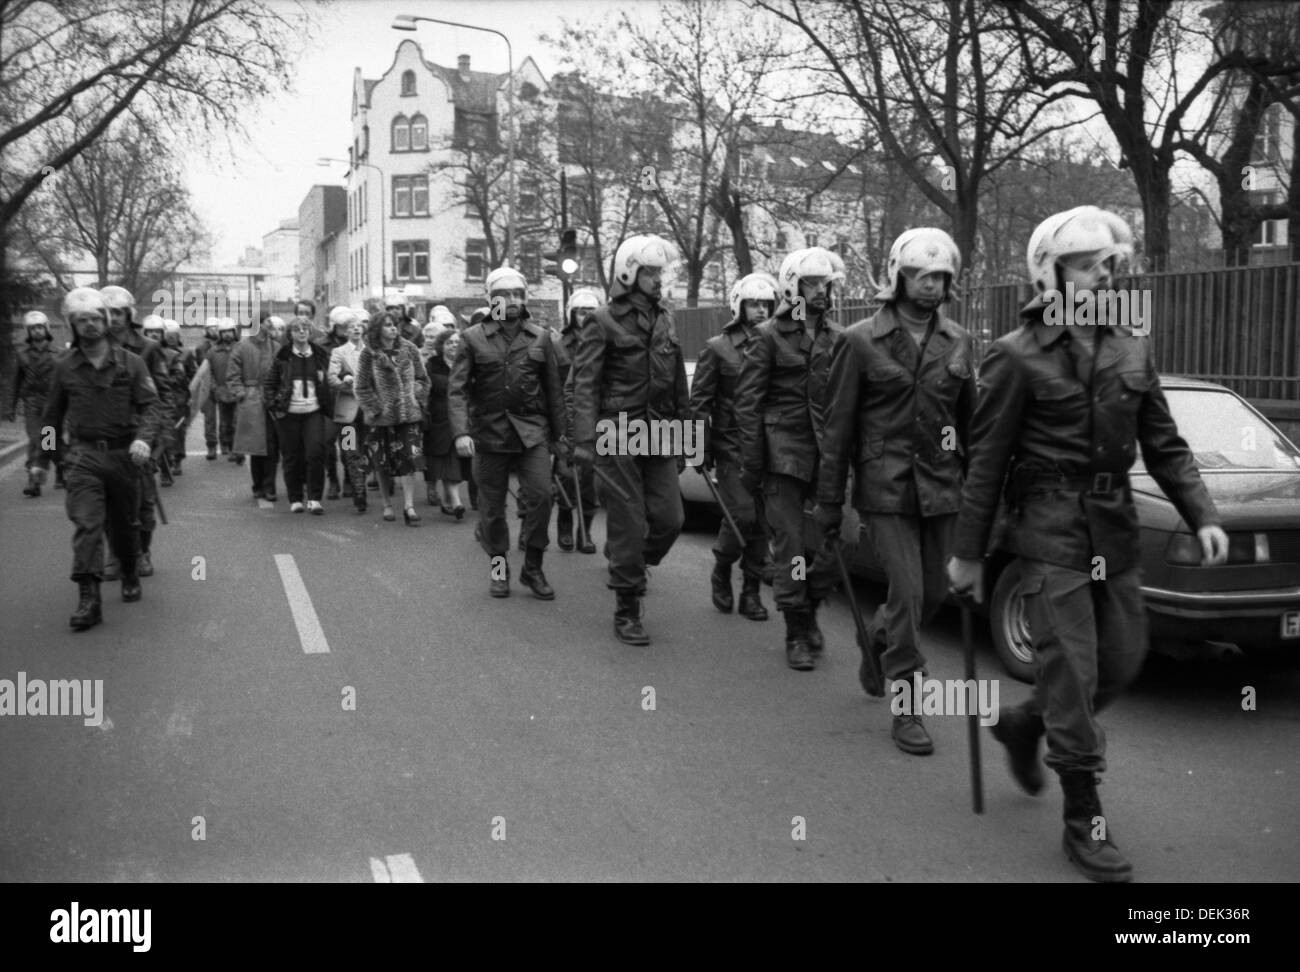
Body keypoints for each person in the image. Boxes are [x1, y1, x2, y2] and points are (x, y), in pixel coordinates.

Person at [946, 206, 1228, 883]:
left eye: (1109, 263)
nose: (1106, 273)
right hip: (1049, 530)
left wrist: (1203, 512)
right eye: (1090, 263)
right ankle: (1084, 820)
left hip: (1115, 525)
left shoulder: (1132, 347)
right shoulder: (1015, 355)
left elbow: (1164, 443)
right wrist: (968, 553)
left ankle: (1024, 722)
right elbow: (985, 462)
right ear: (1052, 271)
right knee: (1072, 675)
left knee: (1121, 663)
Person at [817, 228, 975, 755]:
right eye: (921, 275)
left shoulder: (958, 342)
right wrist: (830, 503)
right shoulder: (860, 340)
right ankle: (908, 706)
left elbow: (969, 426)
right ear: (898, 277)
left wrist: (981, 494)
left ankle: (880, 635)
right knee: (907, 590)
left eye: (939, 277)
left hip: (941, 489)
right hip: (883, 487)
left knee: (933, 594)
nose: (931, 286)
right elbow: (838, 428)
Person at [733, 247, 852, 671]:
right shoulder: (767, 336)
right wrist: (752, 463)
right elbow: (747, 404)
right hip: (782, 453)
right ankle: (796, 630)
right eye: (812, 283)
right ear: (792, 286)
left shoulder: (841, 338)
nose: (820, 291)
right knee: (791, 547)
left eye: (826, 283)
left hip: (828, 456)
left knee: (837, 543)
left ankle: (810, 604)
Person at [572, 235, 690, 642]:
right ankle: (627, 605)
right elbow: (585, 383)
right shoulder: (602, 320)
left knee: (671, 519)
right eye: (650, 272)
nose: (658, 280)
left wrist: (685, 437)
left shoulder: (666, 317)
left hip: (658, 431)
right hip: (616, 432)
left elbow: (677, 384)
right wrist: (585, 441)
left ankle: (632, 565)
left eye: (660, 272)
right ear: (629, 272)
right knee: (629, 520)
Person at [34, 288, 166, 630]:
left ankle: (129, 569)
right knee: (88, 524)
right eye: (82, 321)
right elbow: (50, 419)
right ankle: (88, 599)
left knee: (124, 525)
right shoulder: (64, 367)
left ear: (106, 321)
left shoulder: (131, 363)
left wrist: (143, 440)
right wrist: (47, 459)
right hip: (83, 456)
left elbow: (151, 407)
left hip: (124, 455)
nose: (89, 326)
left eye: (95, 319)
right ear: (72, 326)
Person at [450, 266, 566, 597]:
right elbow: (457, 390)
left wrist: (561, 438)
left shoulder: (540, 336)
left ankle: (533, 567)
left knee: (542, 497)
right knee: (491, 509)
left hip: (532, 433)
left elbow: (554, 391)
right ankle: (499, 570)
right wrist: (461, 432)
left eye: (518, 294)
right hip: (488, 435)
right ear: (491, 299)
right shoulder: (472, 338)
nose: (512, 300)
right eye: (504, 295)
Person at [690, 272, 777, 622]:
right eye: (754, 303)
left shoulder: (779, 346)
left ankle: (751, 591)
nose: (760, 310)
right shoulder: (718, 348)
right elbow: (698, 404)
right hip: (731, 449)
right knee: (742, 514)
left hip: (770, 448)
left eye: (766, 304)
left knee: (763, 522)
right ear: (739, 305)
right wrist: (697, 450)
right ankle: (722, 567)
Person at [100, 285, 170, 578]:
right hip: (101, 440)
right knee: (105, 503)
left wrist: (161, 441)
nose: (113, 318)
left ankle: (142, 551)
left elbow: (163, 398)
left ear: (129, 315)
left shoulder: (149, 348)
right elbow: (55, 414)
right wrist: (51, 453)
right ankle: (115, 554)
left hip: (140, 436)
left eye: (118, 312)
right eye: (108, 312)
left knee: (142, 503)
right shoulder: (87, 350)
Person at [355, 309, 429, 524]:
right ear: (378, 329)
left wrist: (416, 395)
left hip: (408, 415)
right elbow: (361, 386)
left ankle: (409, 505)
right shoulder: (369, 353)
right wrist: (376, 408)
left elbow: (424, 378)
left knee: (410, 459)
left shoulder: (410, 348)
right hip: (382, 417)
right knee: (381, 461)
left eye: (394, 324)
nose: (393, 328)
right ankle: (387, 504)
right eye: (387, 325)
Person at [264, 316, 335, 514]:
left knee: (315, 453)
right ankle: (295, 498)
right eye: (296, 329)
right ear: (291, 334)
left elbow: (328, 380)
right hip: (288, 414)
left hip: (313, 412)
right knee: (292, 456)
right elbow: (270, 384)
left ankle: (314, 498)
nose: (301, 332)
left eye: (305, 328)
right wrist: (274, 408)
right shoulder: (283, 356)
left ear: (310, 332)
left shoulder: (320, 354)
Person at [552, 288, 601, 554]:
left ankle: (586, 529)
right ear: (572, 314)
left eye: (592, 311)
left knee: (590, 479)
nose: (587, 316)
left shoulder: (604, 341)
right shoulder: (558, 345)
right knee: (567, 474)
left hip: (595, 417)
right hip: (565, 415)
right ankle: (565, 518)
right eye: (582, 312)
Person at [227, 313, 285, 501]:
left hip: (271, 399)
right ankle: (257, 485)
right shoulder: (242, 347)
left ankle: (269, 487)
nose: (270, 325)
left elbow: (283, 372)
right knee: (255, 446)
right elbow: (232, 374)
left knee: (271, 445)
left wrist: (280, 395)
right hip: (251, 400)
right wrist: (240, 392)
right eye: (266, 322)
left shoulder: (276, 347)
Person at [7, 311, 64, 496]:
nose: (37, 331)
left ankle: (60, 469)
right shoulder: (22, 353)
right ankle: (34, 481)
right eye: (33, 328)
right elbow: (16, 381)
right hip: (32, 402)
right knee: (34, 440)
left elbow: (65, 382)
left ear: (46, 328)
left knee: (50, 442)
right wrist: (11, 407)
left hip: (52, 404)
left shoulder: (58, 353)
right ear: (28, 331)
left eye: (40, 327)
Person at [327, 309, 369, 514]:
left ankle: (360, 484)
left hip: (369, 412)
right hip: (347, 412)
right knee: (350, 450)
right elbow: (331, 379)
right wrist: (347, 383)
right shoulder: (339, 352)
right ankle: (359, 492)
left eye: (359, 326)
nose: (355, 330)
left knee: (366, 451)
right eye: (351, 327)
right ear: (345, 332)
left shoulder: (371, 351)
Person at [424, 326, 466, 517]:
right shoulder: (432, 363)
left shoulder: (466, 362)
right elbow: (427, 388)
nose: (453, 346)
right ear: (442, 346)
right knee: (448, 461)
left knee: (458, 462)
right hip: (440, 419)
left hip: (463, 417)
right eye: (449, 343)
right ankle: (456, 502)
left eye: (457, 342)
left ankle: (450, 500)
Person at [318, 305, 355, 499]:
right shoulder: (320, 345)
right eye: (342, 325)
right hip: (328, 402)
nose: (346, 329)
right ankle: (333, 479)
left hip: (348, 402)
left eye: (349, 325)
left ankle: (350, 478)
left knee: (349, 444)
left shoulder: (357, 344)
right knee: (326, 443)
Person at [206, 318, 240, 462]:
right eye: (224, 331)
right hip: (221, 391)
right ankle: (227, 446)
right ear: (220, 333)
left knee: (237, 422)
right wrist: (215, 388)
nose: (227, 334)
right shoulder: (212, 352)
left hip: (238, 392)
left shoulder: (240, 348)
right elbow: (209, 373)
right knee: (225, 423)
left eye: (229, 331)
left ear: (234, 332)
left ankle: (237, 450)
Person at [196, 319, 221, 459]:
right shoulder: (201, 349)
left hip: (223, 385)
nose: (214, 331)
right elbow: (202, 369)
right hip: (206, 388)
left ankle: (226, 445)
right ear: (206, 330)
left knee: (228, 418)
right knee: (209, 419)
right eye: (211, 328)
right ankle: (211, 446)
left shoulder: (226, 346)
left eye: (216, 328)